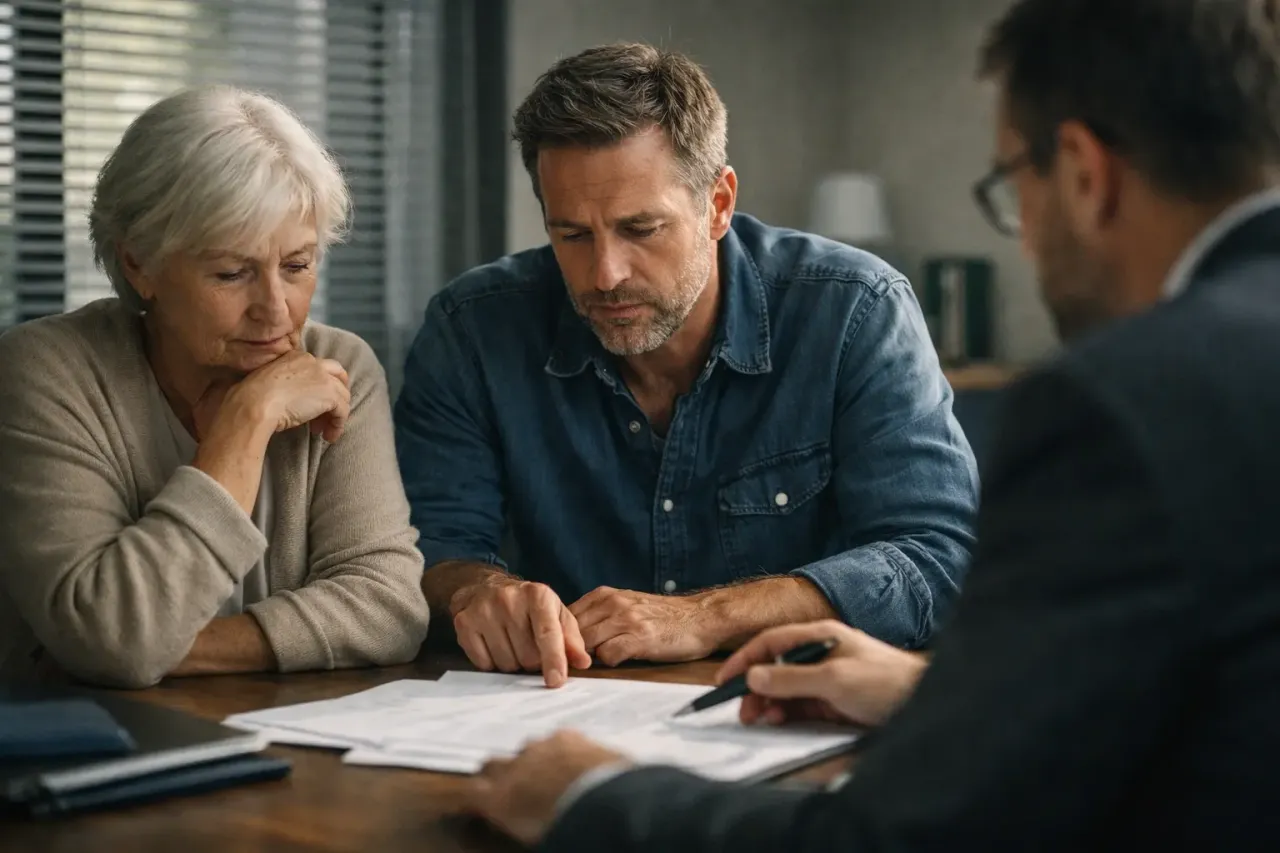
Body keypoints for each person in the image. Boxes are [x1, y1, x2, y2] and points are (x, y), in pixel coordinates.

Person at [464, 0, 1280, 849]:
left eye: (1012, 187)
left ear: (1082, 172)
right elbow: (1201, 695)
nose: (1027, 235)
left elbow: (894, 839)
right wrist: (922, 691)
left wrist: (591, 794)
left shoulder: (1122, 402)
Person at [394, 44, 978, 688]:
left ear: (718, 204)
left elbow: (938, 560)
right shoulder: (472, 328)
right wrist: (479, 593)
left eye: (640, 229)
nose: (605, 274)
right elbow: (430, 552)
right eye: (573, 235)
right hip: (555, 717)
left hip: (790, 713)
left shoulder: (855, 311)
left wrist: (705, 616)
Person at [0, 85, 430, 689]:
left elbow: (388, 610)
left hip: (289, 747)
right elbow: (115, 630)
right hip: (92, 758)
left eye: (298, 265)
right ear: (138, 265)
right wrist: (246, 422)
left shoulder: (340, 366)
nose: (276, 312)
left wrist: (169, 650)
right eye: (232, 273)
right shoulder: (46, 371)